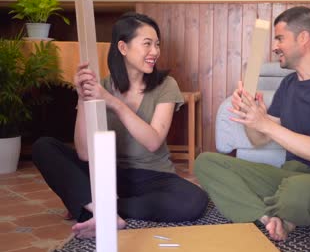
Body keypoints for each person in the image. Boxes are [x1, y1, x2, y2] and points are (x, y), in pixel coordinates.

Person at [32, 12, 208, 239]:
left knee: (194, 202)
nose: (155, 51)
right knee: (44, 147)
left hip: (152, 177)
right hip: (107, 173)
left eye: (157, 44)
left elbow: (153, 141)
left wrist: (112, 102)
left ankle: (97, 207)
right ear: (123, 48)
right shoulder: (102, 86)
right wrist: (82, 97)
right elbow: (85, 153)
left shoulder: (166, 85)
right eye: (147, 44)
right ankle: (98, 206)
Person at [194, 6, 310, 241]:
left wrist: (266, 124)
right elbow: (259, 139)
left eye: (280, 38)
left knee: (295, 193)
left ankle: (279, 210)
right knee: (205, 162)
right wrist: (251, 115)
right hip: (289, 176)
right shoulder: (289, 85)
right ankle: (267, 218)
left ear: (303, 38)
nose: (274, 47)